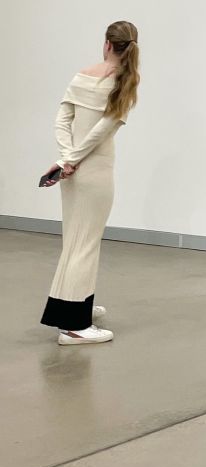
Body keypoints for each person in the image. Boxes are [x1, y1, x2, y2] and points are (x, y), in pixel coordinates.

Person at [40, 21, 140, 345]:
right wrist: (73, 159)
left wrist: (66, 158)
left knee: (74, 242)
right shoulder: (125, 83)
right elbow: (101, 132)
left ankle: (75, 304)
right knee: (85, 244)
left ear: (107, 44)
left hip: (71, 173)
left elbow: (62, 119)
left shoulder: (82, 75)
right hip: (93, 173)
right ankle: (73, 327)